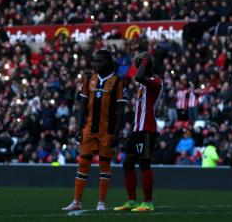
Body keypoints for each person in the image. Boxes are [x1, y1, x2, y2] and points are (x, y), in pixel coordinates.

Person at [62, 50, 130, 211]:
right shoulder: (88, 80)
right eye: (93, 61)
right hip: (89, 130)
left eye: (98, 61)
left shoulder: (118, 82)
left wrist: (116, 133)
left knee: (104, 166)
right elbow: (83, 106)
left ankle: (101, 202)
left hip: (107, 131)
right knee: (83, 163)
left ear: (107, 62)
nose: (95, 64)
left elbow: (121, 109)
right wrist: (79, 128)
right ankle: (76, 201)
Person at [115, 52, 163, 212]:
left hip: (148, 129)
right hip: (137, 129)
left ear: (146, 65)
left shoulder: (156, 81)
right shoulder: (144, 84)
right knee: (127, 163)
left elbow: (138, 76)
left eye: (139, 65)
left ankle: (148, 202)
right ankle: (132, 201)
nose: (137, 69)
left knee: (144, 163)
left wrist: (146, 59)